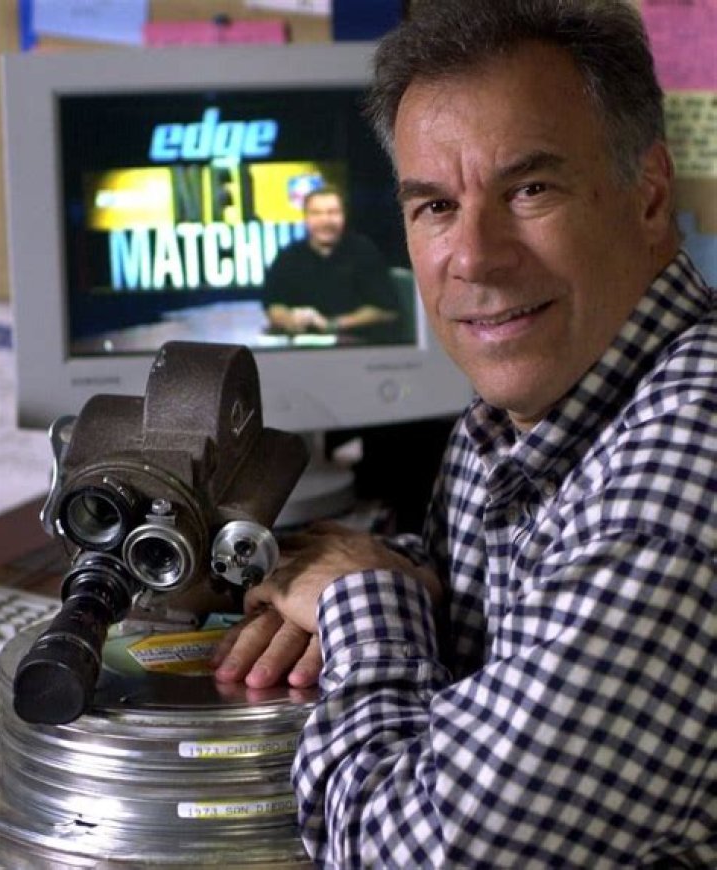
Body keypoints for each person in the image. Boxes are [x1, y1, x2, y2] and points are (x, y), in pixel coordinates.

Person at [212, 0, 716, 865]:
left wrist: (361, 598)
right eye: (436, 206)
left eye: (530, 190)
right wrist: (380, 580)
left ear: (649, 195)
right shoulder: (531, 412)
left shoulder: (682, 478)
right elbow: (486, 621)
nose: (475, 256)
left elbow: (406, 851)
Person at [262, 185, 399, 340]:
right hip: (300, 347)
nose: (325, 220)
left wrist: (331, 324)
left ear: (344, 216)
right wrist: (289, 319)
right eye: (316, 213)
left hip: (357, 345)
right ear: (305, 218)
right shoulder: (288, 257)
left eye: (332, 212)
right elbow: (273, 304)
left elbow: (386, 311)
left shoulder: (364, 252)